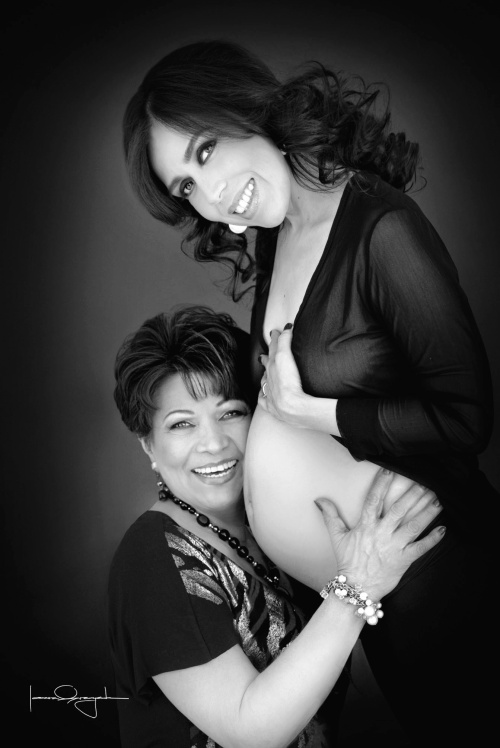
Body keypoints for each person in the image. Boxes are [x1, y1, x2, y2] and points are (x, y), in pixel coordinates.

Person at [121, 40, 497, 743]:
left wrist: (312, 412)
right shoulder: (280, 231)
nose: (211, 194)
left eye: (206, 151)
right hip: (370, 597)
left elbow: (466, 417)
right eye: (186, 187)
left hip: (438, 578)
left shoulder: (381, 228)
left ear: (243, 105)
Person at [108, 304, 444, 748]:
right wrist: (357, 586)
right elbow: (248, 733)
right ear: (148, 445)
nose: (213, 444)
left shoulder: (274, 533)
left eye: (231, 412)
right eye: (182, 424)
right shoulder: (153, 556)